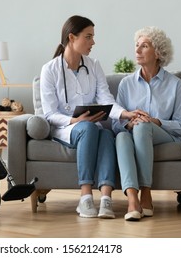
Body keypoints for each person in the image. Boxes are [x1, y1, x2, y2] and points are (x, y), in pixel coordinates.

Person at [40, 15, 140, 219]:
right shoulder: (49, 70)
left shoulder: (93, 65)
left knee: (105, 134)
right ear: (71, 37)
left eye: (93, 37)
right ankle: (85, 198)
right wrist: (74, 121)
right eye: (88, 37)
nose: (93, 42)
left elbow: (106, 98)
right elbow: (50, 114)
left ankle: (105, 199)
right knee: (88, 128)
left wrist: (124, 113)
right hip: (65, 128)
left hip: (91, 128)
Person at [112, 26, 181, 221]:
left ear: (158, 52)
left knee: (143, 125)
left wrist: (155, 121)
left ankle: (146, 191)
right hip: (132, 133)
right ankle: (132, 200)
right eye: (136, 45)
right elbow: (116, 124)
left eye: (144, 46)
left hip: (165, 137)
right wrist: (128, 123)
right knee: (121, 136)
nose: (137, 50)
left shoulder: (174, 84)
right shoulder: (126, 84)